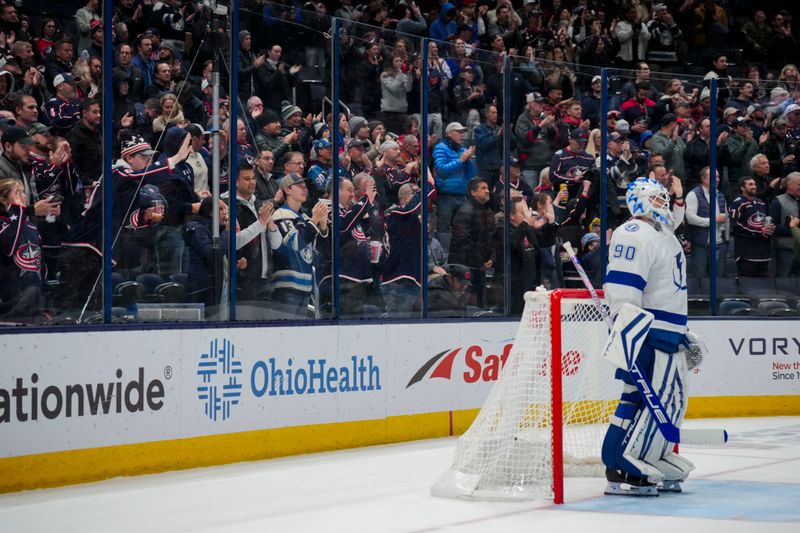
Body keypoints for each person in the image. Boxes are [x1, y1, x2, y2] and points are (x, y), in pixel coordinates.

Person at [601, 177, 695, 497]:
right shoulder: (633, 232)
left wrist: (678, 197)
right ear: (638, 202)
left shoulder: (661, 231)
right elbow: (624, 289)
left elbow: (675, 219)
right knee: (640, 399)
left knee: (668, 402)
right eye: (655, 199)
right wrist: (626, 330)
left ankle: (650, 454)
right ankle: (620, 461)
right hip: (649, 332)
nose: (663, 203)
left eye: (663, 198)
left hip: (668, 332)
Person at [270, 173, 329, 318]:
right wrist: (314, 220)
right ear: (287, 190)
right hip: (286, 286)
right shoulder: (280, 214)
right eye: (299, 185)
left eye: (305, 185)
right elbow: (296, 243)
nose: (305, 189)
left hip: (305, 287)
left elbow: (318, 251)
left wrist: (323, 225)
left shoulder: (305, 217)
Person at [685, 166, 728, 279]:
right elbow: (691, 218)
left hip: (719, 243)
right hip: (701, 244)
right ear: (703, 179)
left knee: (718, 279)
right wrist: (714, 220)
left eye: (718, 176)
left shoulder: (721, 195)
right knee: (698, 278)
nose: (717, 179)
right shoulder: (693, 194)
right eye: (714, 176)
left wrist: (726, 240)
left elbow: (725, 219)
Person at [730, 177, 774, 277]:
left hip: (763, 252)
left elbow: (766, 219)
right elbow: (737, 226)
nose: (754, 186)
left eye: (754, 184)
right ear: (742, 188)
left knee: (762, 287)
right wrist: (759, 231)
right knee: (746, 285)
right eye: (750, 184)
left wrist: (769, 228)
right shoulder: (738, 203)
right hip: (746, 252)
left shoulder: (761, 202)